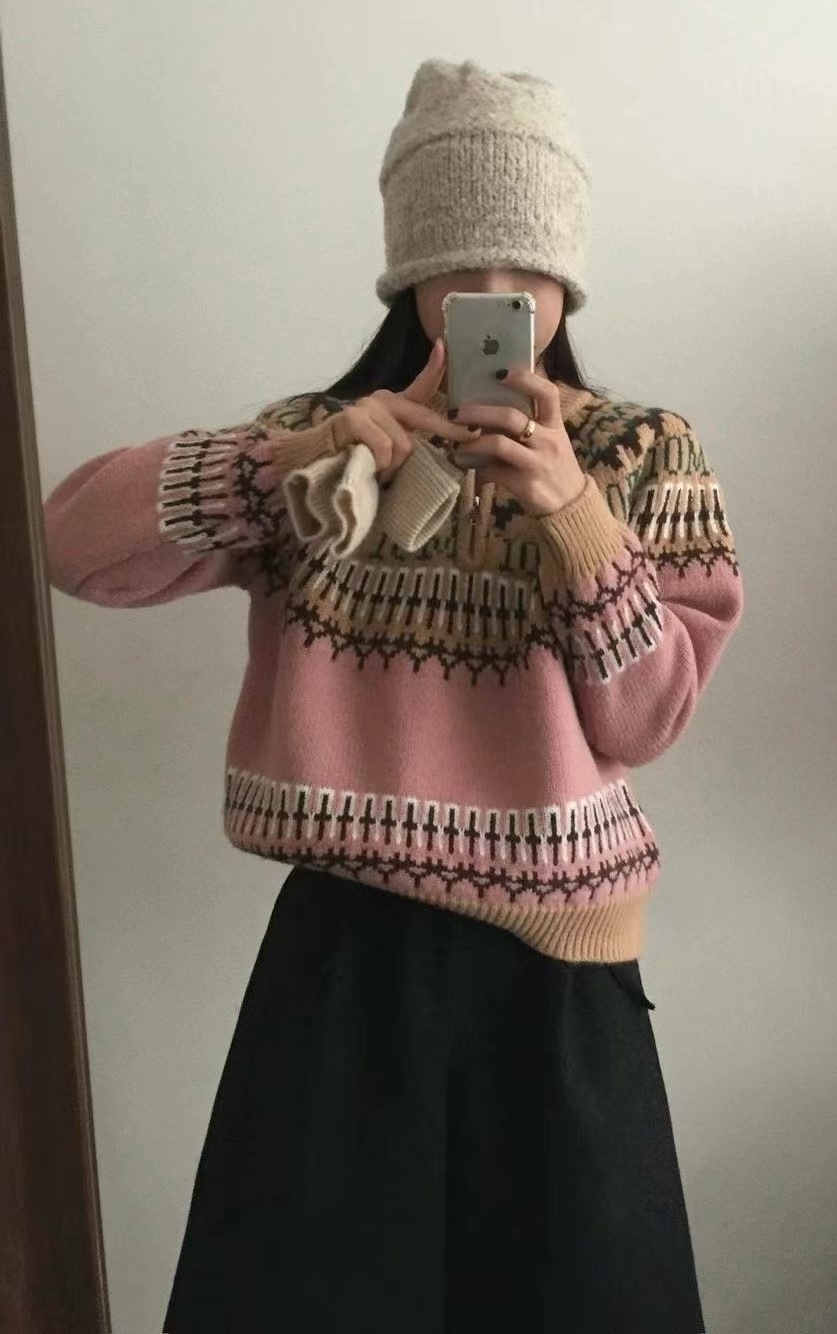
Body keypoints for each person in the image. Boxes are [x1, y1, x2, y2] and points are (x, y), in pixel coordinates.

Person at [42, 57, 744, 1334]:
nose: (494, 295)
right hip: (345, 960)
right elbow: (71, 548)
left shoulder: (642, 451)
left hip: (556, 976)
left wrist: (574, 518)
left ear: (566, 277)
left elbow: (645, 718)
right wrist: (287, 461)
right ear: (410, 273)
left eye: (525, 269)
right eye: (459, 266)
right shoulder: (321, 451)